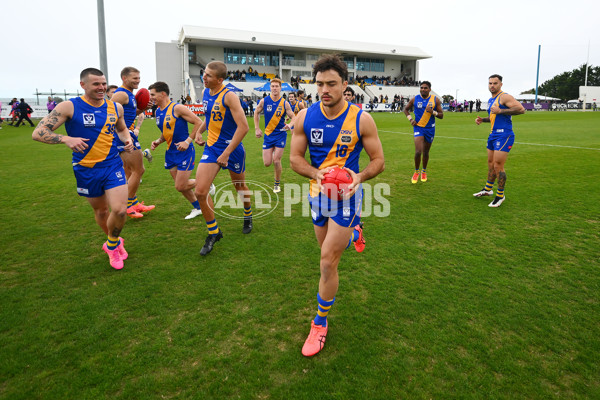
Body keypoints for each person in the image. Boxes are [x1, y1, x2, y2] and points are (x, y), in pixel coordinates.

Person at [289, 54, 385, 357]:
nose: (324, 90)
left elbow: (379, 161)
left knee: (328, 262)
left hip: (348, 198)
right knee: (324, 253)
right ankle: (356, 232)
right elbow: (295, 159)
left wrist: (359, 176)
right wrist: (317, 173)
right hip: (317, 196)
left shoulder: (361, 119)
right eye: (319, 84)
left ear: (345, 85)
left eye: (332, 83)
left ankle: (319, 324)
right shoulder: (305, 117)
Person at [31, 67, 134, 269]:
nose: (101, 87)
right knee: (102, 211)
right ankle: (114, 243)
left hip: (112, 164)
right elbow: (38, 132)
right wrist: (66, 139)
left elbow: (122, 129)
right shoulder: (69, 107)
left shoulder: (116, 108)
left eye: (103, 83)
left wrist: (128, 139)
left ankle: (111, 245)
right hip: (86, 169)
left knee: (120, 210)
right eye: (96, 84)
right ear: (83, 85)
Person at [194, 61, 253, 256]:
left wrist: (227, 153)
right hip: (212, 148)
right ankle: (214, 232)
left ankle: (248, 215)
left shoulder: (229, 96)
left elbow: (244, 127)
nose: (204, 77)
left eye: (209, 76)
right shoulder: (205, 93)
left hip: (232, 149)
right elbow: (210, 118)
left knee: (239, 187)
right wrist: (200, 132)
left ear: (220, 80)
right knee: (200, 192)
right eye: (204, 73)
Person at [149, 81, 214, 219]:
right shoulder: (158, 111)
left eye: (153, 94)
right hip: (170, 152)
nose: (151, 98)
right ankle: (198, 207)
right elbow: (166, 130)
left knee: (180, 185)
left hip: (184, 151)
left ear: (163, 93)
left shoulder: (177, 108)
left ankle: (207, 184)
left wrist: (187, 141)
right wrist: (159, 141)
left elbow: (199, 122)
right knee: (181, 186)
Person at [473, 74, 525, 207]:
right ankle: (488, 189)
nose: (492, 85)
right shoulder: (492, 99)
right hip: (493, 135)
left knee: (498, 166)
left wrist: (501, 110)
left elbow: (521, 109)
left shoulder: (504, 96)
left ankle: (500, 196)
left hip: (504, 135)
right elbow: (493, 116)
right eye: (490, 83)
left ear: (501, 84)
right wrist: (483, 119)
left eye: (495, 83)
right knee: (490, 164)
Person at [111, 67, 155, 218]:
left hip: (126, 134)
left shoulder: (129, 95)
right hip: (122, 136)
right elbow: (109, 114)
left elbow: (126, 115)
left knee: (130, 171)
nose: (138, 80)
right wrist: (119, 136)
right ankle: (128, 206)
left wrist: (141, 108)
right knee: (139, 170)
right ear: (124, 78)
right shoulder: (121, 94)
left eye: (139, 78)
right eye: (134, 78)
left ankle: (134, 203)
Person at [254, 78, 296, 193]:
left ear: (280, 88)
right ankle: (272, 152)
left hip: (280, 135)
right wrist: (257, 128)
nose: (274, 88)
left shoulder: (285, 103)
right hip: (268, 135)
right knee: (267, 163)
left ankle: (277, 184)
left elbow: (293, 117)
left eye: (277, 86)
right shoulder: (264, 101)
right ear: (270, 88)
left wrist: (290, 125)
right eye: (272, 86)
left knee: (276, 161)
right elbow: (256, 112)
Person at [403, 81, 444, 183]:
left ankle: (424, 171)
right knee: (418, 152)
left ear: (429, 89)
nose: (423, 89)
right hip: (418, 128)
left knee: (426, 152)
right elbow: (406, 109)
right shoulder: (415, 99)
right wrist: (410, 119)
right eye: (421, 88)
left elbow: (441, 115)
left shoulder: (435, 99)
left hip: (430, 129)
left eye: (425, 88)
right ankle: (416, 171)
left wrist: (432, 112)